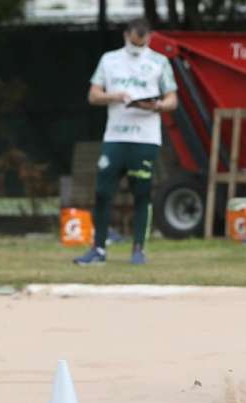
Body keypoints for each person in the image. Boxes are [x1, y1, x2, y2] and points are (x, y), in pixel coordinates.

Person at [73, 18, 178, 265]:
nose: (137, 46)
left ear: (150, 37)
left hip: (145, 138)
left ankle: (138, 250)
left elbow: (172, 99)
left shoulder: (159, 62)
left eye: (142, 42)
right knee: (102, 192)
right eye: (134, 41)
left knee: (141, 193)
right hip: (115, 136)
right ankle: (98, 249)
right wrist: (115, 96)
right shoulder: (109, 60)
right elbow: (93, 95)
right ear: (126, 35)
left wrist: (158, 105)